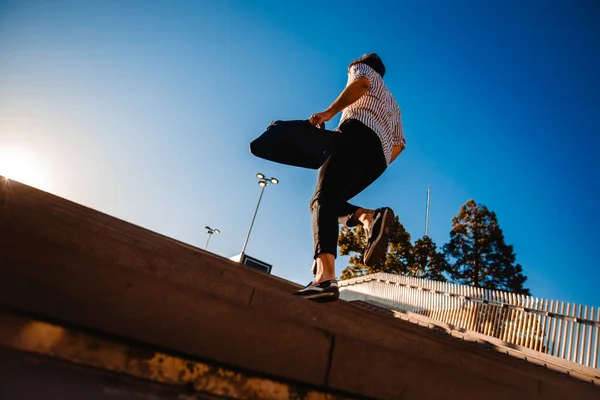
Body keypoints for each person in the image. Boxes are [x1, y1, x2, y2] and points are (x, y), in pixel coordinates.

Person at [293, 53, 406, 303]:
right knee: (329, 203)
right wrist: (378, 159)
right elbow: (399, 144)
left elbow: (361, 84)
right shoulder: (394, 103)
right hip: (378, 160)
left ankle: (325, 278)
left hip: (355, 135)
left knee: (321, 201)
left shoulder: (362, 69)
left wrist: (330, 112)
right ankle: (368, 217)